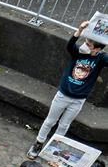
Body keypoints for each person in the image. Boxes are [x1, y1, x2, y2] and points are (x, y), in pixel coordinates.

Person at [27, 20, 108, 159]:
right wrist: (79, 30)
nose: (85, 45)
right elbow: (70, 45)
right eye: (86, 42)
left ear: (97, 49)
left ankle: (53, 147)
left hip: (78, 101)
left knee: (64, 125)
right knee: (50, 121)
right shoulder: (78, 53)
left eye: (89, 44)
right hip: (63, 95)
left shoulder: (100, 59)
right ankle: (38, 143)